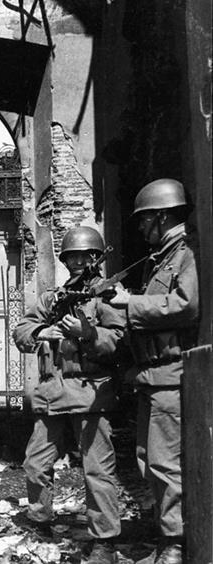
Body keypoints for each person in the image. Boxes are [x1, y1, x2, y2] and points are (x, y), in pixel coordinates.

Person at [13, 226, 125, 564]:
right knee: (36, 463)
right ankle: (40, 523)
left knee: (97, 471)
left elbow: (118, 341)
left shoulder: (107, 295)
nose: (77, 262)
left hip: (90, 394)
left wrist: (88, 333)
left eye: (84, 256)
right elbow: (21, 329)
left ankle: (104, 541)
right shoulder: (53, 297)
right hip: (51, 394)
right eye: (71, 256)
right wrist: (39, 331)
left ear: (96, 258)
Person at [109, 179, 198, 564]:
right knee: (149, 459)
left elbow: (186, 304)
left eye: (144, 222)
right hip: (152, 376)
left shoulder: (185, 254)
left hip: (170, 373)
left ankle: (175, 543)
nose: (141, 230)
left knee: (164, 463)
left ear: (161, 217)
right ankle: (167, 532)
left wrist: (131, 304)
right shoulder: (161, 258)